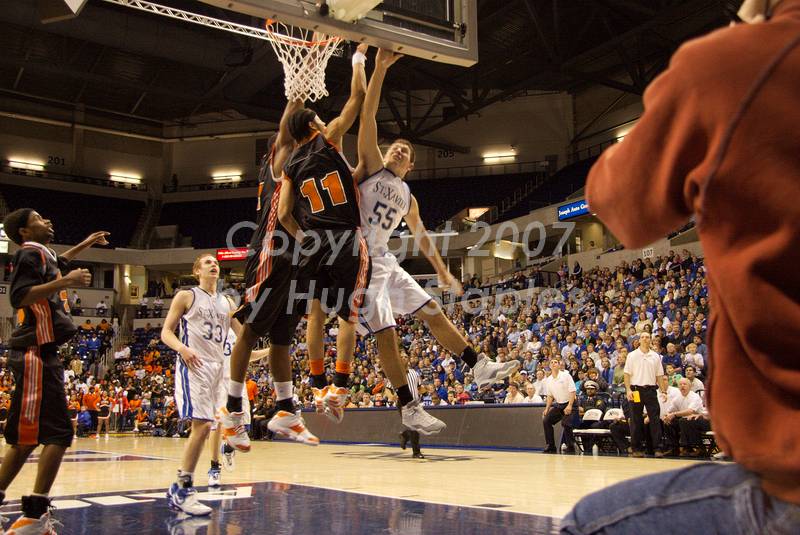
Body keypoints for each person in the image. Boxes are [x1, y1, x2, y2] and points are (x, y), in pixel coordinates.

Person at [563, 1, 800, 532]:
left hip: (789, 476)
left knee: (585, 522)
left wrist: (742, 29)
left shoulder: (736, 65)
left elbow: (617, 203)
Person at [220, 47, 369, 448]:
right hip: (271, 250)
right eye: (316, 120)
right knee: (252, 330)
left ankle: (286, 410)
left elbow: (291, 211)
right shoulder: (285, 153)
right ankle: (232, 410)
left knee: (283, 335)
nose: (321, 121)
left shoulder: (307, 158)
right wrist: (311, 54)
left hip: (295, 256)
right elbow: (295, 112)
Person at [0, 208, 107, 532]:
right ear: (23, 231)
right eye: (38, 218)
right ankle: (34, 514)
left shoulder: (42, 253)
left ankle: (32, 513)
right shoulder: (27, 255)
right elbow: (18, 296)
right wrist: (67, 281)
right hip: (35, 352)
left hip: (41, 353)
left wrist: (84, 245)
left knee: (25, 440)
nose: (47, 220)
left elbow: (57, 263)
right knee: (58, 434)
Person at [160, 254, 237, 516]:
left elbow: (243, 333)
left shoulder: (227, 301)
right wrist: (182, 349)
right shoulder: (186, 296)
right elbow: (166, 332)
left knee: (209, 427)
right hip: (195, 364)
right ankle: (183, 488)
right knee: (202, 425)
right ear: (196, 271)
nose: (213, 264)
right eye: (207, 262)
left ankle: (180, 488)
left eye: (215, 262)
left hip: (219, 367)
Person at [207, 328, 268, 488]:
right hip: (217, 382)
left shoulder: (235, 331)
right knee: (217, 424)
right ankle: (214, 468)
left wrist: (270, 350)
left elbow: (249, 355)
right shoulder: (210, 328)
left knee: (244, 429)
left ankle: (227, 448)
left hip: (237, 383)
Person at [623, 332, 665, 458]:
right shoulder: (632, 355)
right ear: (639, 340)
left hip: (651, 390)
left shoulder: (655, 356)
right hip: (635, 390)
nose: (645, 339)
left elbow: (659, 375)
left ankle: (657, 448)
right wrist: (628, 390)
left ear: (650, 340)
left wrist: (664, 391)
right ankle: (636, 449)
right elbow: (627, 374)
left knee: (655, 419)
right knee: (636, 420)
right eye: (642, 337)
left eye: (647, 337)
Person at [542, 358, 577, 454]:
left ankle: (571, 446)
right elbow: (549, 396)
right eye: (551, 362)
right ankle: (551, 446)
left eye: (555, 362)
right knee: (546, 421)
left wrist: (569, 406)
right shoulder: (548, 380)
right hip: (559, 404)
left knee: (566, 423)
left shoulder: (566, 376)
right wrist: (547, 409)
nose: (553, 364)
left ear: (559, 364)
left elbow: (573, 391)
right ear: (549, 366)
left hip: (570, 403)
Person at [398, 368, 425, 459]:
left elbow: (420, 388)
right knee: (415, 427)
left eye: (406, 356)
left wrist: (425, 390)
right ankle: (416, 452)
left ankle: (405, 435)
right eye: (402, 357)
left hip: (415, 402)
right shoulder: (396, 373)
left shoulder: (414, 372)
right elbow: (388, 389)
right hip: (403, 403)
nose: (404, 358)